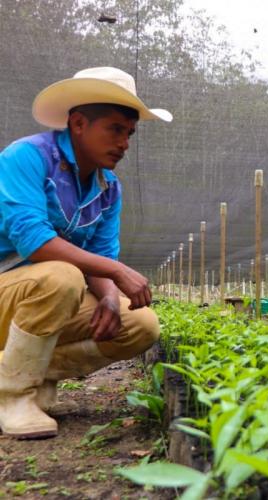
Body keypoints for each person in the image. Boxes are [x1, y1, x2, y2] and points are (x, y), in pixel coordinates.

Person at [0, 67, 172, 439]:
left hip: (44, 297)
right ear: (78, 123)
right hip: (9, 291)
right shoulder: (26, 157)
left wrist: (110, 298)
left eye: (129, 133)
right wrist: (116, 271)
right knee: (62, 276)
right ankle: (12, 395)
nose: (124, 143)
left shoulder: (108, 188)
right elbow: (35, 241)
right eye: (114, 129)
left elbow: (99, 254)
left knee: (139, 325)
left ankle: (26, 372)